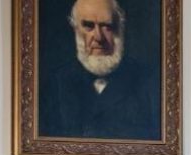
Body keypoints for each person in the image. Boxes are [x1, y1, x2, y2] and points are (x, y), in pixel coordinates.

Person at [39, 0, 161, 140]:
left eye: (107, 26)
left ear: (120, 28)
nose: (98, 37)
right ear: (75, 28)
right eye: (88, 26)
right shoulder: (56, 83)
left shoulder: (149, 81)